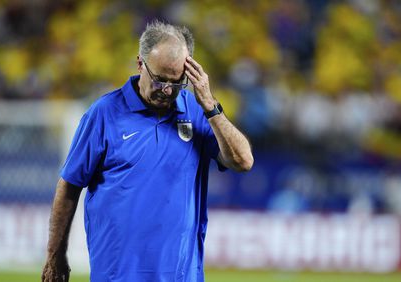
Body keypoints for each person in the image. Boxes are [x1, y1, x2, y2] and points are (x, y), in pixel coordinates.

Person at [41, 20, 254, 282]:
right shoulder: (104, 114)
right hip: (117, 274)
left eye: (177, 82)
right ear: (140, 63)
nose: (167, 90)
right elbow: (70, 185)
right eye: (160, 79)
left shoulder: (197, 111)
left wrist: (210, 105)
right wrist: (55, 254)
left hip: (180, 275)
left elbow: (243, 161)